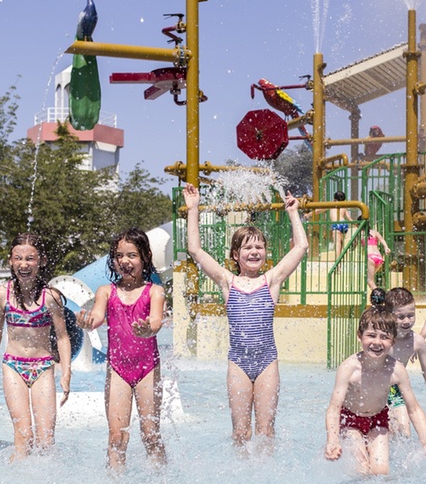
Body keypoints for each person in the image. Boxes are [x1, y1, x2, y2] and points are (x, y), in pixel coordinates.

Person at [182, 183, 309, 448]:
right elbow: (195, 251)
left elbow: (301, 247)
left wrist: (293, 213)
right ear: (235, 255)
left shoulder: (271, 280)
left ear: (265, 253)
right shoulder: (227, 281)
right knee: (241, 433)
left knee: (266, 432)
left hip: (267, 362)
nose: (254, 252)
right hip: (238, 363)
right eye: (248, 248)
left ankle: (265, 469)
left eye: (259, 247)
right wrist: (193, 209)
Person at [0, 232, 72, 460]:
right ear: (10, 260)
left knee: (46, 442)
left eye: (30, 258)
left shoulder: (50, 297)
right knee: (23, 437)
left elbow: (62, 337)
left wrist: (66, 372)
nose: (24, 264)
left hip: (43, 367)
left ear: (41, 261)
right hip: (13, 367)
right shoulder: (2, 295)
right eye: (18, 258)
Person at [77, 228, 167, 470]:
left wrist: (149, 329)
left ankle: (161, 476)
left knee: (150, 434)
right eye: (119, 256)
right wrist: (87, 321)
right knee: (117, 436)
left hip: (147, 369)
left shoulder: (155, 291)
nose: (124, 261)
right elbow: (97, 317)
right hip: (118, 370)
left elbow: (156, 321)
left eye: (132, 255)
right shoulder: (106, 291)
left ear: (145, 257)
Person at [324, 306, 426, 475]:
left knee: (381, 472)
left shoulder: (396, 370)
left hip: (378, 420)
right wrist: (333, 440)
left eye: (385, 337)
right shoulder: (349, 368)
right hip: (350, 420)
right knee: (361, 470)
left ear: (393, 341)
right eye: (371, 335)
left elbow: (414, 409)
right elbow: (334, 408)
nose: (377, 342)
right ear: (359, 336)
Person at [385, 288, 426, 436]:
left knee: (404, 432)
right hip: (375, 388)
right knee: (383, 431)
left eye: (411, 315)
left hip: (395, 389)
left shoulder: (417, 342)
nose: (407, 321)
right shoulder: (382, 338)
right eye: (400, 317)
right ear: (389, 315)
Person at [305, 191, 353, 257]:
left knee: (337, 243)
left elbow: (319, 210)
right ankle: (339, 259)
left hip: (337, 224)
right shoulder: (344, 207)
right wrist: (356, 224)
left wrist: (309, 214)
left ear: (334, 199)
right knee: (341, 243)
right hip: (344, 224)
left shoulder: (332, 204)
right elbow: (349, 218)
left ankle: (337, 260)